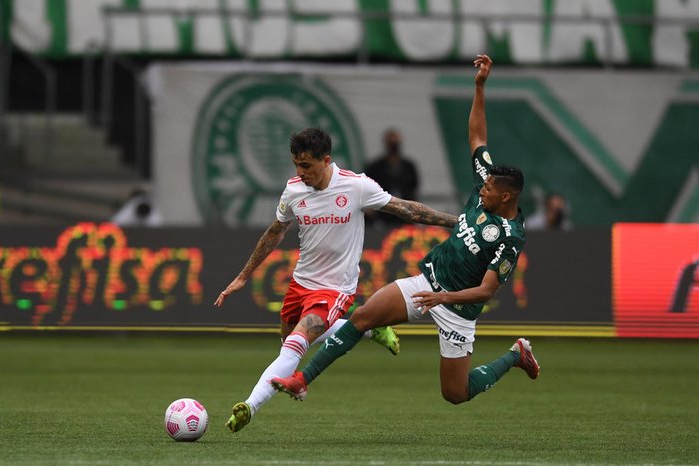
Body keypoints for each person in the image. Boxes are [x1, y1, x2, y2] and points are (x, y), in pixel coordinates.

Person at [271, 55, 539, 408]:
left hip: (457, 309)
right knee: (364, 317)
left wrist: (443, 299)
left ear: (506, 197)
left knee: (455, 394)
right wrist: (479, 86)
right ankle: (302, 379)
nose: (480, 190)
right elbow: (477, 136)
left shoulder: (510, 236)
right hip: (428, 283)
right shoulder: (486, 184)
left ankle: (515, 355)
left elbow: (486, 290)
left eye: (487, 190)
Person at [214, 127, 458, 432]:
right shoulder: (293, 190)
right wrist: (241, 277)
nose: (300, 172)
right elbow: (275, 231)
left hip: (335, 288)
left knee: (293, 346)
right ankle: (371, 328)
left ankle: (249, 406)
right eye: (296, 165)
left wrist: (457, 222)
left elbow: (406, 209)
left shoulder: (356, 186)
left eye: (306, 166)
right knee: (289, 337)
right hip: (301, 283)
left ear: (326, 160)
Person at [364, 128, 420, 228]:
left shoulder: (408, 166)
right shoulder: (375, 167)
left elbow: (414, 187)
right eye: (391, 142)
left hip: (405, 210)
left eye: (396, 142)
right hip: (383, 211)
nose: (394, 145)